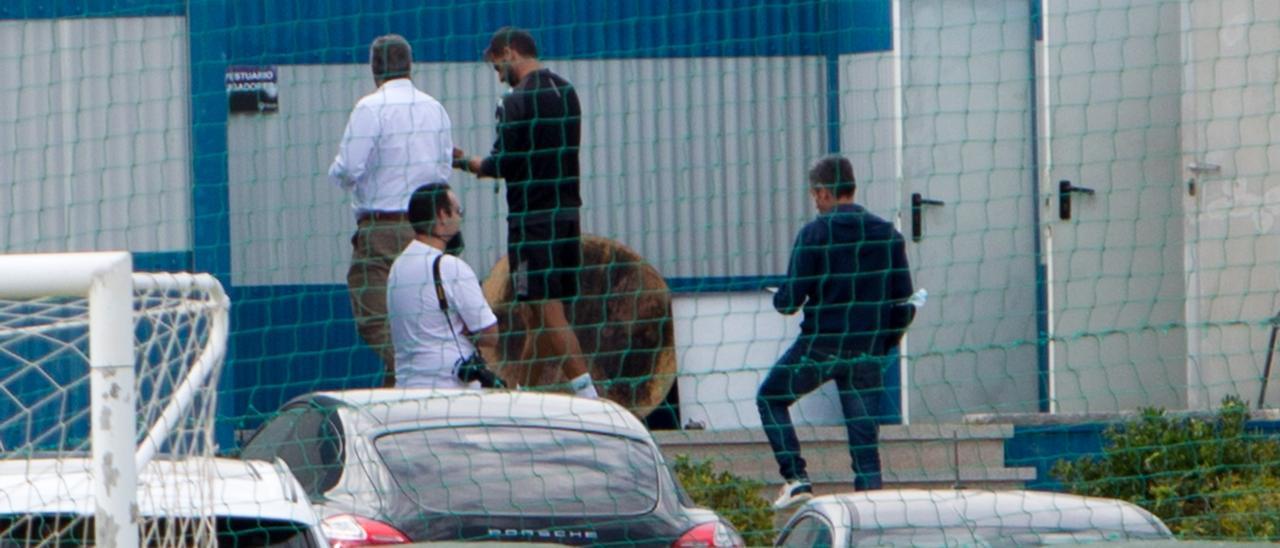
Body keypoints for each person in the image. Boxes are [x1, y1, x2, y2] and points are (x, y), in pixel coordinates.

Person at [757, 156, 917, 510]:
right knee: (865, 449)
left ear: (826, 192)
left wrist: (779, 297)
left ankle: (796, 477)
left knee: (770, 398)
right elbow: (905, 303)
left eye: (815, 194)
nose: (815, 201)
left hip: (821, 345)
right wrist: (883, 343)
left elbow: (790, 302)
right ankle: (872, 513)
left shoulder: (815, 234)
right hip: (866, 352)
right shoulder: (888, 235)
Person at [453, 27, 597, 398]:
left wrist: (462, 161)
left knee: (548, 313)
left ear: (509, 52)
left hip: (532, 222)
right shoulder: (566, 92)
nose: (497, 73)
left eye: (496, 64)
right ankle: (522, 394)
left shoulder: (515, 101)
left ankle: (590, 395)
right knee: (536, 316)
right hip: (567, 216)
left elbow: (501, 164)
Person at [328, 34, 454, 387]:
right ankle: (400, 395)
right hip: (429, 228)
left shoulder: (371, 107)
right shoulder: (435, 108)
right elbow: (443, 170)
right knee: (419, 314)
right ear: (410, 66)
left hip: (383, 226)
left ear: (374, 69)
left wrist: (335, 172)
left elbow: (349, 168)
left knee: (373, 315)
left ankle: (419, 374)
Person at [387, 183, 498, 389]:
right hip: (450, 390)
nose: (460, 218)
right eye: (458, 211)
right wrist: (467, 329)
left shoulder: (397, 267)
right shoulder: (450, 267)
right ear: (442, 215)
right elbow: (490, 334)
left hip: (406, 387)